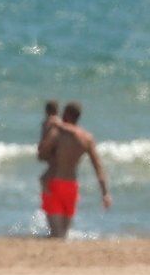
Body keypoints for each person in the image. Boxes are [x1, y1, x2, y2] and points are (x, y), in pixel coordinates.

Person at [36, 100, 112, 239]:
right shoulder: (87, 138)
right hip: (71, 186)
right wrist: (105, 193)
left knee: (55, 234)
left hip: (53, 183)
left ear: (65, 114)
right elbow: (98, 167)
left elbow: (41, 155)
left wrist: (45, 131)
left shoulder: (56, 133)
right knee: (63, 235)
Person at [37, 100, 61, 194]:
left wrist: (42, 148)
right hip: (58, 147)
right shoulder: (59, 120)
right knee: (54, 168)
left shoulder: (48, 121)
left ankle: (48, 193)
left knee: (46, 175)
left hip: (51, 147)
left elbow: (48, 135)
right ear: (57, 110)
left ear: (46, 111)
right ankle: (50, 191)